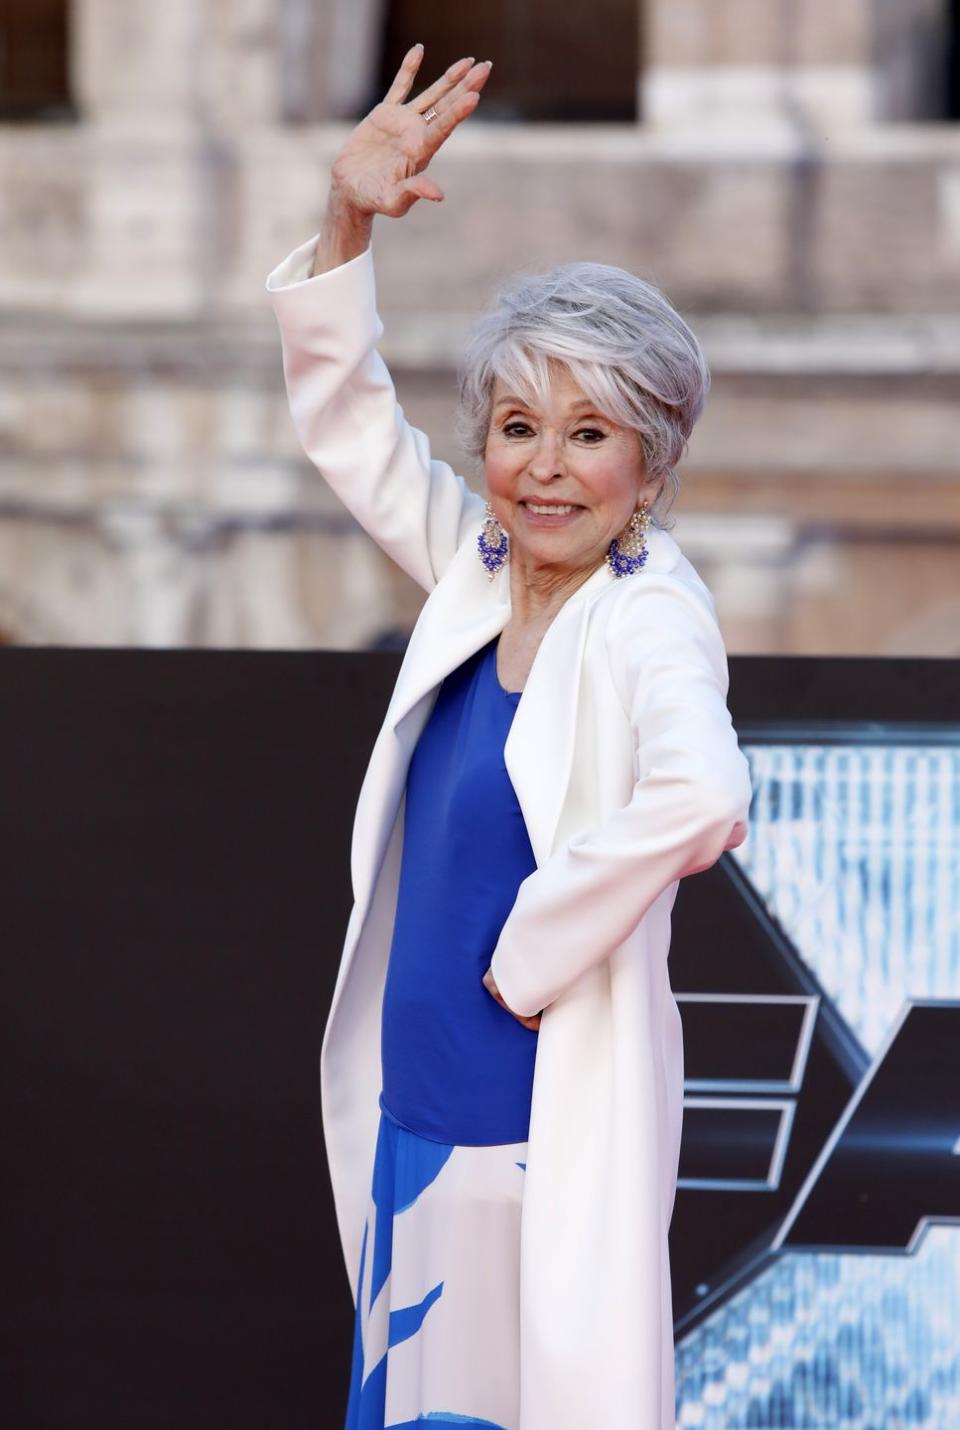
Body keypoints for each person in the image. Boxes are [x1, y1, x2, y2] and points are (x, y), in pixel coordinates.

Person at [266, 43, 753, 1430]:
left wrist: (535, 951)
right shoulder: (479, 564)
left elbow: (706, 790)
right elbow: (353, 426)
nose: (546, 466)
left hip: (536, 1149)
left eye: (591, 433)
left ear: (649, 466)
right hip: (416, 1136)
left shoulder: (650, 613)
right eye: (520, 425)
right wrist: (349, 215)